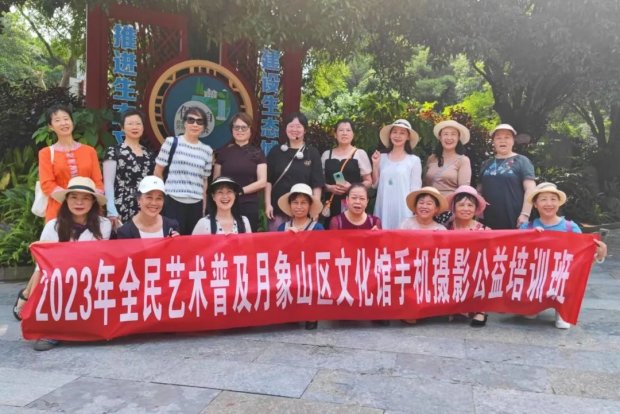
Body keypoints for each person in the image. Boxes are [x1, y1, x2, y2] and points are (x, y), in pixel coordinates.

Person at [12, 177, 112, 351]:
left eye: (85, 198)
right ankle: (46, 327)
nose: (79, 202)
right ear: (66, 200)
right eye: (74, 197)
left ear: (93, 202)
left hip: (90, 276)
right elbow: (43, 264)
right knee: (44, 275)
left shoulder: (104, 225)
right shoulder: (53, 226)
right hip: (59, 278)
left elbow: (99, 257)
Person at [519, 182, 608, 329]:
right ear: (535, 204)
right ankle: (533, 304)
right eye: (543, 199)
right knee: (528, 314)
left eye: (553, 199)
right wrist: (530, 238)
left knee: (568, 278)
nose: (549, 203)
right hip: (535, 276)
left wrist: (599, 255)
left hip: (562, 277)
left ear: (559, 203)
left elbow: (582, 260)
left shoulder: (570, 228)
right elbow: (516, 257)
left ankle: (562, 309)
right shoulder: (527, 227)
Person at [38, 104, 104, 222]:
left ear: (72, 122)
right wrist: (69, 200)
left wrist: (89, 201)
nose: (63, 123)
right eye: (57, 120)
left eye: (66, 119)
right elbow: (46, 183)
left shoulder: (89, 151)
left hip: (88, 211)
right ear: (50, 127)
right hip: (58, 210)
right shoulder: (45, 153)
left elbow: (98, 181)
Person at [154, 106, 213, 235]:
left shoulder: (207, 150)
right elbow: (157, 172)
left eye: (199, 121)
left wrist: (203, 208)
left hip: (196, 204)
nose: (195, 124)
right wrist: (161, 198)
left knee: (192, 243)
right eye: (191, 120)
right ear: (184, 123)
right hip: (172, 201)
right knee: (171, 240)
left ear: (204, 127)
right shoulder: (171, 142)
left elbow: (204, 181)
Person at [265, 112, 324, 232]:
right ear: (285, 129)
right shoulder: (276, 151)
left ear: (305, 130)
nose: (294, 130)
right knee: (278, 241)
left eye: (298, 126)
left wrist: (315, 210)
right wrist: (268, 204)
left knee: (303, 243)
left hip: (304, 211)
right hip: (278, 210)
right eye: (291, 126)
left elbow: (317, 184)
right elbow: (268, 181)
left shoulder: (312, 153)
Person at [277, 183, 324, 330]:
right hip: (289, 271)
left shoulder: (317, 228)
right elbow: (276, 253)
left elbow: (322, 252)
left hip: (310, 271)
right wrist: (286, 238)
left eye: (303, 203)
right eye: (295, 202)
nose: (299, 206)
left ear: (310, 206)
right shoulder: (282, 228)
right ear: (290, 205)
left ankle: (311, 315)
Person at [213, 112, 267, 231]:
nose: (240, 130)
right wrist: (226, 195)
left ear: (250, 130)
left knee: (246, 239)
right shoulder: (223, 153)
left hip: (248, 204)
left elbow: (262, 182)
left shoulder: (258, 153)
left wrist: (240, 191)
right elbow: (216, 179)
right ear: (232, 130)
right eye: (236, 127)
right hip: (225, 204)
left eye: (244, 127)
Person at [445, 185, 490, 327]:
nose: (466, 209)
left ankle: (480, 310)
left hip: (475, 270)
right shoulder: (445, 228)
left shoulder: (485, 230)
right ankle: (455, 307)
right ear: (454, 207)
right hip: (452, 268)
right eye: (461, 205)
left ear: (476, 209)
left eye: (470, 205)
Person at [103, 109, 155, 228]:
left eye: (138, 123)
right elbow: (108, 184)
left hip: (144, 206)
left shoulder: (149, 154)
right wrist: (111, 210)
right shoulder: (113, 151)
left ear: (143, 127)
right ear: (122, 128)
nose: (134, 127)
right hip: (121, 205)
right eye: (130, 124)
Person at [478, 124, 536, 229]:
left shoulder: (522, 161)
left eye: (507, 137)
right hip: (488, 220)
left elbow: (530, 189)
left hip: (515, 219)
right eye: (498, 138)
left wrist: (525, 214)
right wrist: (478, 212)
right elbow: (479, 191)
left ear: (513, 141)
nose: (502, 141)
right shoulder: (486, 163)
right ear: (493, 142)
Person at [372, 119, 422, 229]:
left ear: (408, 137)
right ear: (390, 135)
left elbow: (415, 188)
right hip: (383, 205)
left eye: (402, 133)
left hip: (404, 207)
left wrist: (414, 209)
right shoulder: (382, 157)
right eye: (394, 132)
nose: (397, 136)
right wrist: (375, 165)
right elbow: (375, 185)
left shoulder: (414, 160)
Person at [321, 119, 372, 226]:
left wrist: (352, 187)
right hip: (331, 203)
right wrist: (329, 188)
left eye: (348, 130)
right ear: (335, 134)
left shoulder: (360, 153)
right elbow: (319, 181)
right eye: (341, 130)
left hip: (354, 204)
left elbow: (368, 182)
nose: (344, 133)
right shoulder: (326, 155)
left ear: (353, 134)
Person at [424, 120, 472, 224]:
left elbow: (463, 191)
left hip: (449, 211)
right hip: (429, 209)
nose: (449, 138)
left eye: (453, 134)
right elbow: (425, 185)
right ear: (440, 137)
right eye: (445, 134)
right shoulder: (432, 158)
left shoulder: (463, 160)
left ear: (458, 138)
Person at [115, 176, 180, 239]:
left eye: (159, 198)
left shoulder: (172, 226)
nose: (154, 203)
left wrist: (177, 241)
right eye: (149, 197)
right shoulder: (125, 232)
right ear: (138, 199)